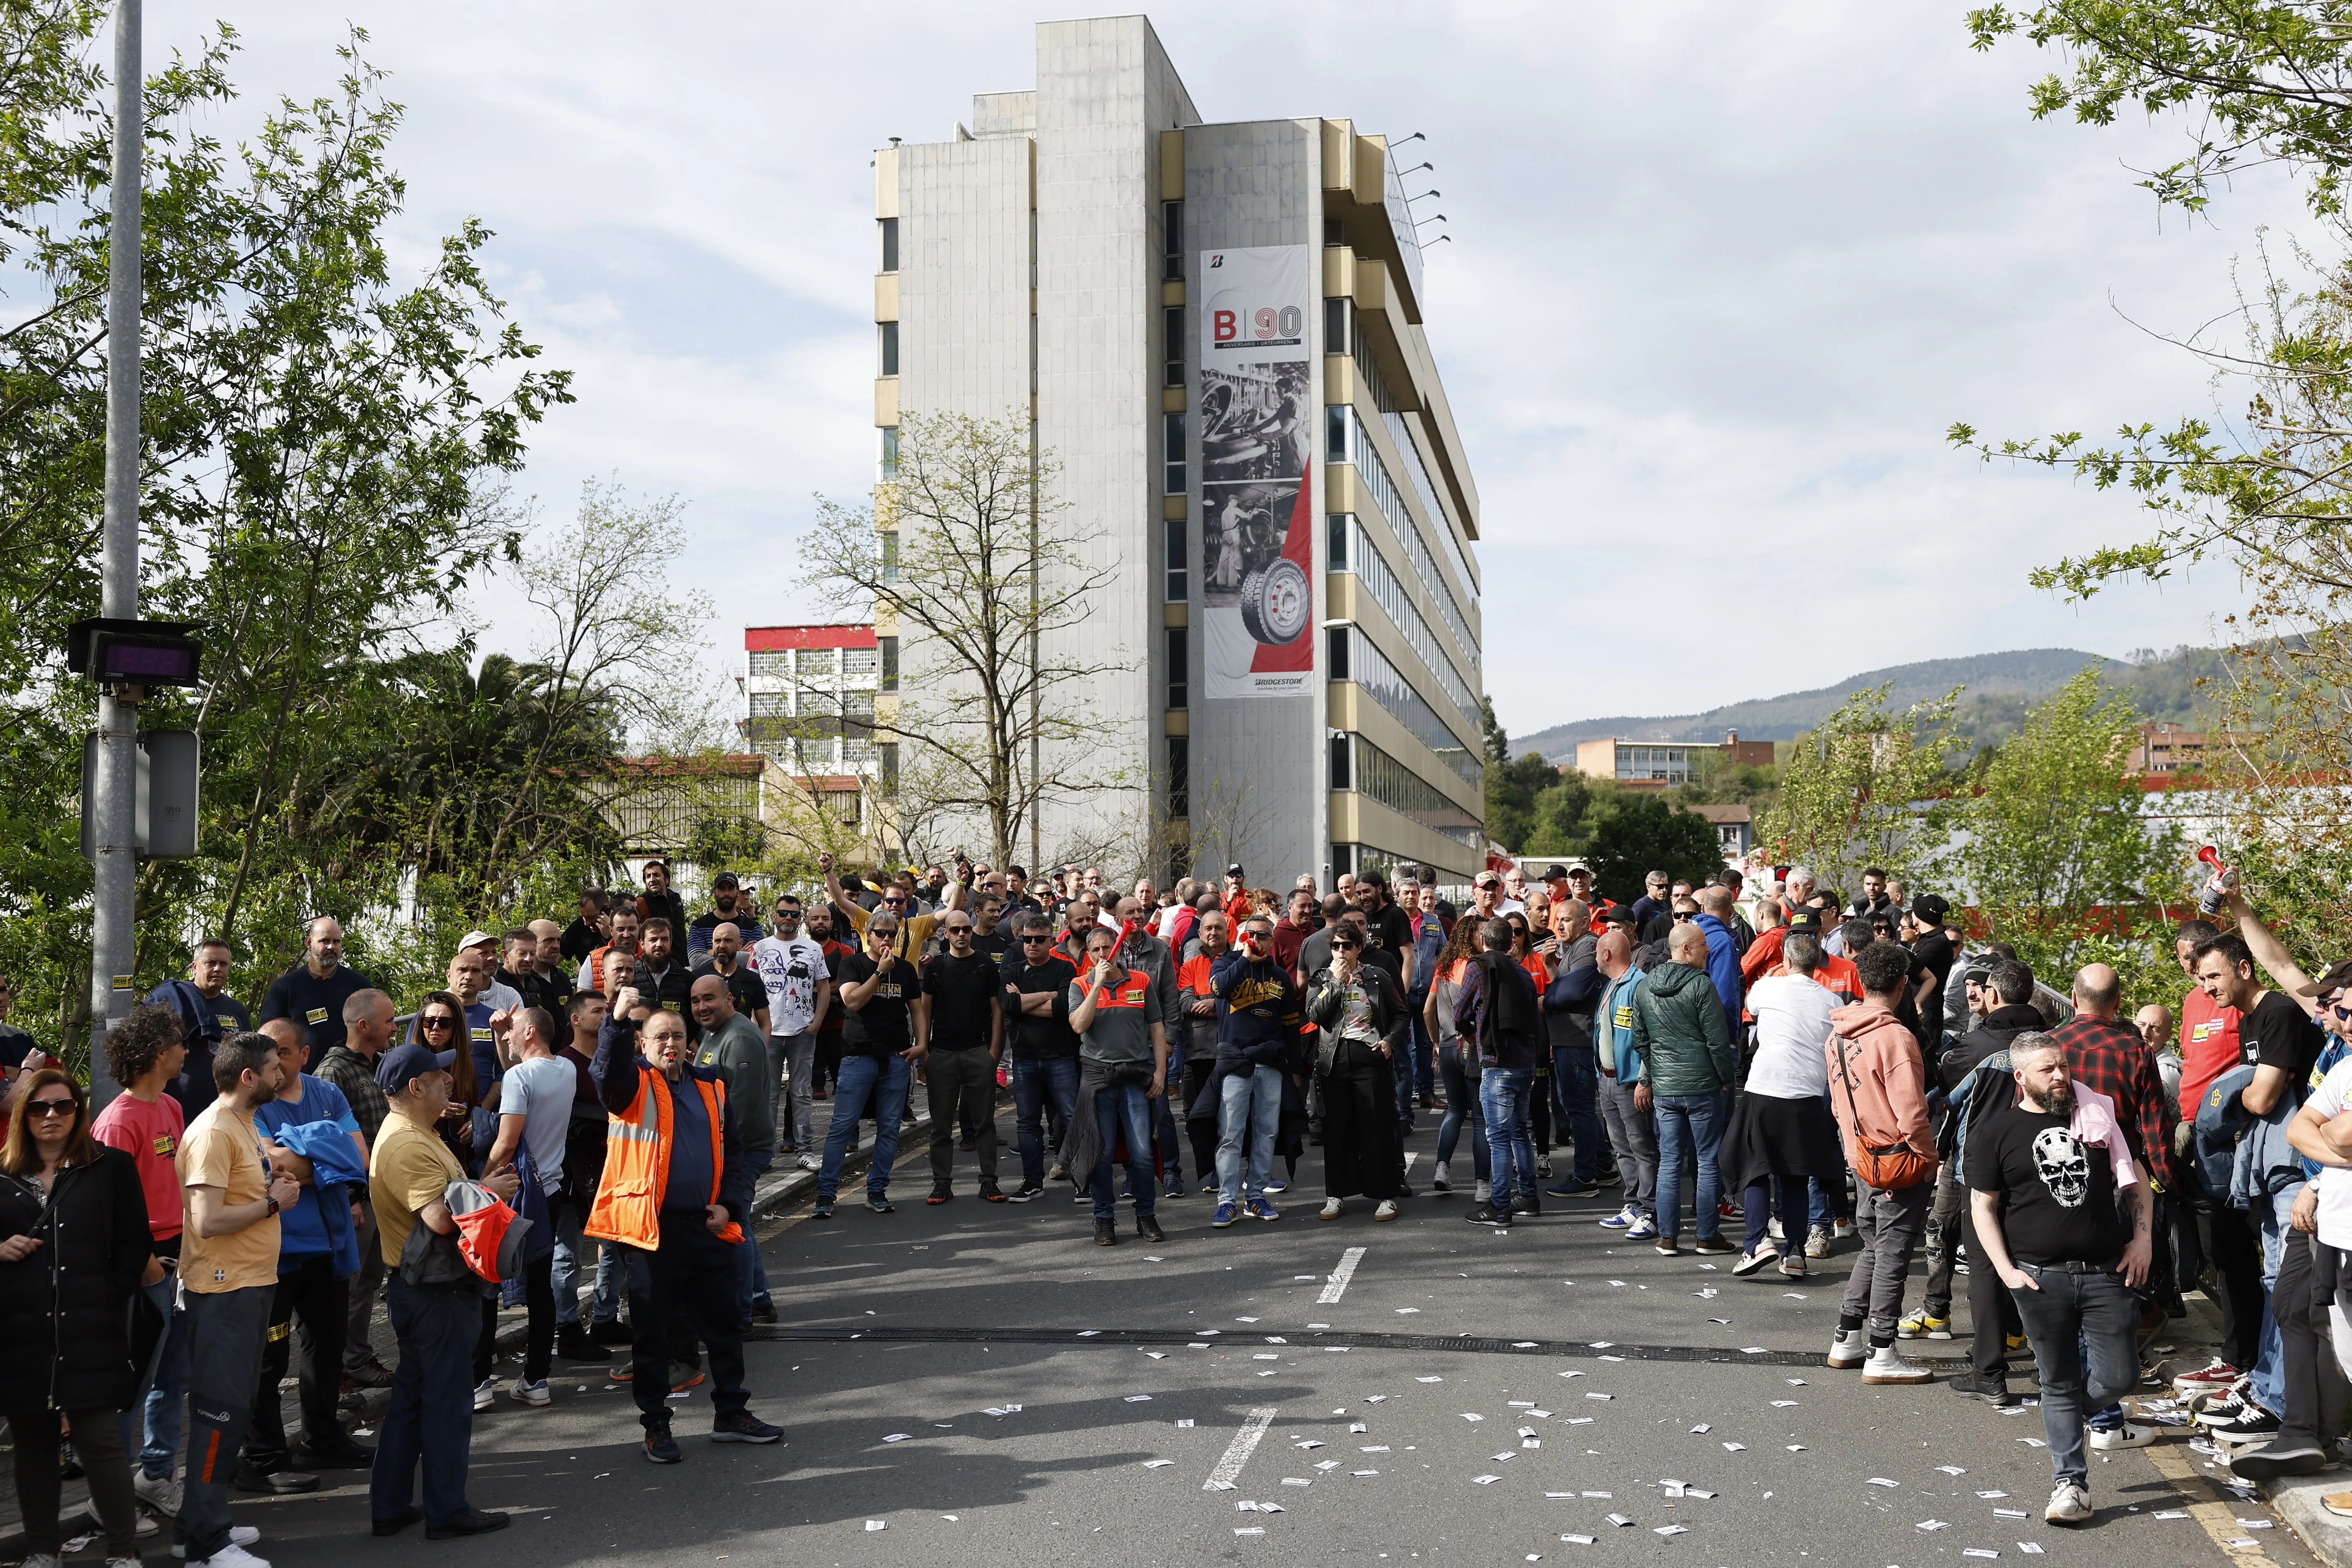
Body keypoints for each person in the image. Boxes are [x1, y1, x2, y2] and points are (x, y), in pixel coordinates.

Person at [1966, 1032, 2153, 1526]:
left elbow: (2138, 1182)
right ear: (2020, 1077)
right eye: (2047, 1069)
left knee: (2121, 1375)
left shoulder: (2097, 1117)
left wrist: (2143, 1240)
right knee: (2057, 1379)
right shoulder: (1997, 1131)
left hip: (2106, 1272)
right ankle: (2071, 1484)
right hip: (2039, 1278)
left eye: (2064, 1066)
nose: (2060, 1076)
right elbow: (1983, 1206)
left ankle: (2071, 1411)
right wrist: (2007, 1271)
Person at [590, 994, 782, 1462]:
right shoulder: (632, 1083)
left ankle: (731, 1413)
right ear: (644, 1043)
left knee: (724, 1327)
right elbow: (605, 1075)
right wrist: (616, 1022)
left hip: (707, 1226)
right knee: (653, 1335)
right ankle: (656, 1424)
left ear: (689, 1042)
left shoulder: (712, 1086)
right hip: (651, 1232)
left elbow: (733, 1153)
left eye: (677, 1035)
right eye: (660, 1037)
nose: (670, 1044)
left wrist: (730, 1206)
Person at [2, 1066, 155, 1568]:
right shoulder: (3, 1175)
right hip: (23, 1335)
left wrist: (108, 1295)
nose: (52, 1115)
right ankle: (43, 1551)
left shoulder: (109, 1167)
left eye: (63, 1106)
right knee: (34, 1450)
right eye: (39, 1107)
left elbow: (134, 1241)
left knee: (102, 1445)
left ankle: (123, 1550)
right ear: (23, 1115)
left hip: (92, 1330)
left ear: (78, 1111)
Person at [366, 1041, 515, 1538]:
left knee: (412, 1400)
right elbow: (438, 1218)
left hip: (430, 1290)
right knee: (448, 1404)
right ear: (415, 1087)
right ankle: (447, 1510)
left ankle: (390, 1506)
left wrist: (481, 1184)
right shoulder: (406, 1143)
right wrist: (489, 1191)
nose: (449, 1079)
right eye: (438, 1075)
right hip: (436, 1294)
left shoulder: (416, 1133)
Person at [174, 1032, 302, 1568]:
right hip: (223, 1290)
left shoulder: (244, 1122)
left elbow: (241, 1194)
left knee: (233, 1409)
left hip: (250, 1284)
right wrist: (272, 1204)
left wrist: (271, 1186)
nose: (282, 1073)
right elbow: (206, 1220)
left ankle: (200, 1524)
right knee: (218, 1411)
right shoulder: (213, 1131)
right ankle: (205, 1546)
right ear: (248, 1076)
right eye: (274, 1067)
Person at [243, 1022, 369, 1487]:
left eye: (281, 1051)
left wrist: (306, 1156)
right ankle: (265, 1457)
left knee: (327, 1345)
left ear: (304, 1054)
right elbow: (269, 1166)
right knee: (269, 1357)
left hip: (329, 1244)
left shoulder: (327, 1093)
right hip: (277, 1251)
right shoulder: (254, 1102)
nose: (274, 1062)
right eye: (267, 1053)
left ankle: (323, 1439)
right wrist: (329, 1152)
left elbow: (360, 1159)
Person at [92, 1004, 194, 1518]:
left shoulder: (171, 1106)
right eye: (179, 1043)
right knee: (131, 1386)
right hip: (145, 1265)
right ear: (159, 1054)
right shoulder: (116, 1122)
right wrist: (146, 1264)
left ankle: (155, 1476)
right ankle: (108, 1498)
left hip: (182, 1259)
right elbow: (101, 1208)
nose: (186, 1051)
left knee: (173, 1379)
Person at [1823, 942, 1937, 1385]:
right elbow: (1912, 1113)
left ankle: (1847, 1337)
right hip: (1896, 1160)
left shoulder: (1837, 1032)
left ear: (1861, 981)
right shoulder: (1895, 1037)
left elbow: (1837, 1103)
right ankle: (1882, 1350)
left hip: (1860, 1155)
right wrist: (1928, 1158)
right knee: (1893, 1251)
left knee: (1874, 1246)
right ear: (1903, 985)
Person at [1723, 932, 1845, 1279]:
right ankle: (1794, 1252)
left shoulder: (1767, 987)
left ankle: (1757, 1242)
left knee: (1755, 1168)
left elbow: (1752, 1005)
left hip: (1765, 1088)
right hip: (1807, 1095)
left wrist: (1776, 971)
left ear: (1786, 960)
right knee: (1795, 1175)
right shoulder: (1832, 1000)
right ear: (1818, 962)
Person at [482, 1007, 576, 1403]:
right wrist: (502, 1039)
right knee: (541, 1287)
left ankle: (479, 1383)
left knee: (487, 1281)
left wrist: (481, 1182)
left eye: (512, 1030)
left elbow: (506, 1142)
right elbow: (520, 1077)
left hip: (514, 1191)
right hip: (550, 1191)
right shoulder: (567, 1068)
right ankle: (537, 1380)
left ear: (531, 1031)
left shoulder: (520, 1078)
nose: (506, 1036)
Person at [1630, 922, 1738, 1256]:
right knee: (1706, 1161)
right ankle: (1706, 1236)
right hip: (1702, 1085)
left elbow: (1640, 1039)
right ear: (1686, 948)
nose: (1709, 949)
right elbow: (1717, 1041)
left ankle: (1668, 1237)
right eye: (1703, 944)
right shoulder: (1701, 985)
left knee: (1669, 1161)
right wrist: (1725, 1078)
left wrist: (1654, 1074)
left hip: (1666, 1088)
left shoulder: (1644, 986)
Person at [812, 912, 924, 1219]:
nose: (886, 939)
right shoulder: (853, 964)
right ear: (869, 935)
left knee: (889, 1128)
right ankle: (826, 1193)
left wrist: (922, 1044)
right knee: (843, 1126)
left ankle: (877, 1190)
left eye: (892, 934)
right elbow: (852, 1001)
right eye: (881, 933)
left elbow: (917, 1009)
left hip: (896, 1058)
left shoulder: (905, 969)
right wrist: (879, 972)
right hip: (857, 1057)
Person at [1066, 923, 1171, 1246]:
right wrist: (1097, 984)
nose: (1103, 954)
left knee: (1142, 1153)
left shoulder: (1141, 981)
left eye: (1107, 948)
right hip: (1099, 1079)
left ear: (1118, 948)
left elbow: (1157, 1028)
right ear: (1088, 955)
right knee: (1101, 1152)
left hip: (1135, 1077)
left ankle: (1146, 1215)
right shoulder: (1079, 984)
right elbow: (1078, 1025)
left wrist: (1160, 1073)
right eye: (1096, 950)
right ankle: (1103, 1217)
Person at [313, 989, 397, 1389]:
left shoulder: (377, 1064)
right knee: (349, 1285)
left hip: (380, 1193)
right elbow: (326, 1143)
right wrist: (349, 1199)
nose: (395, 1028)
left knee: (369, 1282)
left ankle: (356, 1357)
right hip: (355, 1200)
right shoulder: (333, 1072)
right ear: (364, 1026)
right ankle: (340, 1366)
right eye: (389, 1021)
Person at [687, 977, 777, 1326]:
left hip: (740, 1150)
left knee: (735, 1224)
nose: (701, 1007)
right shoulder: (715, 1031)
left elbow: (742, 1108)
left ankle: (741, 1313)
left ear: (730, 999)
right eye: (696, 1001)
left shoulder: (739, 1037)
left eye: (709, 998)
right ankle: (758, 1299)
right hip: (726, 1148)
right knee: (739, 1222)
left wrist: (719, 1156)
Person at [1303, 923, 1409, 1222]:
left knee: (1376, 1128)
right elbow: (1314, 1014)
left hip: (1370, 1056)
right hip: (1333, 1060)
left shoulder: (1377, 976)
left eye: (1347, 946)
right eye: (1335, 946)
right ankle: (1336, 1195)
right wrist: (1336, 983)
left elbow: (1401, 1014)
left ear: (1359, 948)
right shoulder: (1322, 977)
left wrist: (1389, 1042)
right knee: (1336, 1130)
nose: (1340, 951)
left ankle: (1386, 1195)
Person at [1454, 920, 1541, 1225]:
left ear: (1482, 939)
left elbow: (1459, 1012)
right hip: (1525, 1062)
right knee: (1518, 1130)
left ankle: (1500, 1205)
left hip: (1496, 1061)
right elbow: (1533, 1018)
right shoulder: (1523, 972)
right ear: (1511, 943)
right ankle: (1528, 1196)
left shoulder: (1478, 967)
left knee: (1499, 1137)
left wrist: (1473, 1036)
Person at [915, 909, 1004, 1203]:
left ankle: (989, 1182)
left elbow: (997, 1010)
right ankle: (942, 1183)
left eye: (966, 929)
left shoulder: (985, 965)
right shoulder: (936, 966)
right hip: (941, 1053)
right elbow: (925, 1011)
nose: (962, 934)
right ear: (946, 934)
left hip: (978, 1052)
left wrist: (993, 1052)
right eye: (955, 930)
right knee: (941, 1125)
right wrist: (925, 1051)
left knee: (984, 1123)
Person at [555, 992, 626, 1354]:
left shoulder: (615, 1059)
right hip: (572, 1173)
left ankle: (605, 1319)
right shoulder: (563, 1064)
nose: (605, 1015)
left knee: (616, 1246)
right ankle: (566, 1328)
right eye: (597, 1010)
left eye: (608, 1010)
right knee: (567, 1252)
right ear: (576, 1020)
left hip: (616, 1169)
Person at [1003, 911, 1081, 1202]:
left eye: (1038, 939)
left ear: (1051, 941)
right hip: (1024, 1058)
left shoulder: (1065, 968)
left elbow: (1063, 1007)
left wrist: (1023, 1002)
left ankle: (1083, 1179)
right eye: (1027, 939)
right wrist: (1048, 995)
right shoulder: (1012, 970)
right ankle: (1032, 1182)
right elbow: (1008, 1005)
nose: (1032, 944)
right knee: (1027, 1123)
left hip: (1061, 1057)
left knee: (1072, 1119)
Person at [752, 895, 832, 1172]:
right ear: (774, 916)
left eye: (795, 914)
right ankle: (764, 1153)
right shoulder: (761, 948)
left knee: (802, 1093)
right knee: (768, 1095)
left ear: (801, 918)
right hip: (769, 1032)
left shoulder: (813, 948)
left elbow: (824, 988)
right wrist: (755, 1025)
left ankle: (805, 1151)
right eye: (783, 913)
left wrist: (817, 1022)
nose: (789, 918)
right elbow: (751, 989)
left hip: (803, 1032)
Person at [1590, 917, 1658, 1237]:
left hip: (1630, 1082)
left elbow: (1651, 1037)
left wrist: (1645, 1080)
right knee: (1622, 1147)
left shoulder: (1639, 984)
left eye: (1596, 952)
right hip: (1608, 1080)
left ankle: (1650, 1210)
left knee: (1642, 1147)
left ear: (1606, 954)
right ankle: (1633, 1205)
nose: (1594, 958)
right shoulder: (1612, 984)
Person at [145, 937, 254, 1122]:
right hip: (177, 1106)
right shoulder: (172, 1000)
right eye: (211, 963)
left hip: (226, 1109)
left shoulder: (237, 1009)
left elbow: (249, 1057)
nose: (218, 969)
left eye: (224, 964)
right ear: (195, 967)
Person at [1424, 915, 1492, 1204]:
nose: (1486, 938)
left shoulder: (1444, 966)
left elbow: (1427, 1010)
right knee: (1480, 1119)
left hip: (1448, 1046)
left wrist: (1436, 1044)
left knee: (1454, 1110)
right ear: (1471, 936)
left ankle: (1442, 1167)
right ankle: (1483, 1184)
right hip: (1473, 1047)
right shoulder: (1479, 967)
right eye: (1482, 933)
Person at [257, 917, 371, 1063]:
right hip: (304, 1075)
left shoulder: (360, 985)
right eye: (325, 941)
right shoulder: (285, 988)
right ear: (309, 943)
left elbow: (376, 1030)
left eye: (337, 941)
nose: (331, 947)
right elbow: (268, 1040)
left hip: (353, 1072)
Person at [822, 851, 938, 961]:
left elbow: (947, 912)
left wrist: (930, 953)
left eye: (899, 901)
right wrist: (828, 870)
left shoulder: (916, 924)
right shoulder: (868, 921)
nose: (894, 905)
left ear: (905, 903)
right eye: (890, 900)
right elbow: (840, 901)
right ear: (882, 903)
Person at [692, 921, 769, 1037]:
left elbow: (765, 1023)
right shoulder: (697, 977)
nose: (722, 946)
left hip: (742, 1044)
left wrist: (761, 1047)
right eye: (718, 941)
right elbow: (686, 1021)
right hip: (705, 1046)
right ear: (713, 944)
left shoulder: (752, 979)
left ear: (740, 944)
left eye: (728, 941)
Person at [686, 872, 766, 962]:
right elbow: (696, 961)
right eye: (722, 889)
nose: (727, 893)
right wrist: (738, 954)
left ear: (737, 892)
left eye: (731, 889)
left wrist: (711, 953)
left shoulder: (753, 928)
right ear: (715, 893)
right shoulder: (699, 926)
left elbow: (756, 960)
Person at [577, 905, 642, 998]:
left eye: (632, 929)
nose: (626, 935)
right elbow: (582, 1000)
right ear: (611, 930)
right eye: (621, 929)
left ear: (639, 929)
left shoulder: (649, 958)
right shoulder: (594, 960)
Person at [634, 860, 689, 948]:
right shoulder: (642, 902)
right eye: (648, 877)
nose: (652, 880)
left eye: (657, 875)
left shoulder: (675, 897)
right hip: (659, 953)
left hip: (682, 954)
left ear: (666, 880)